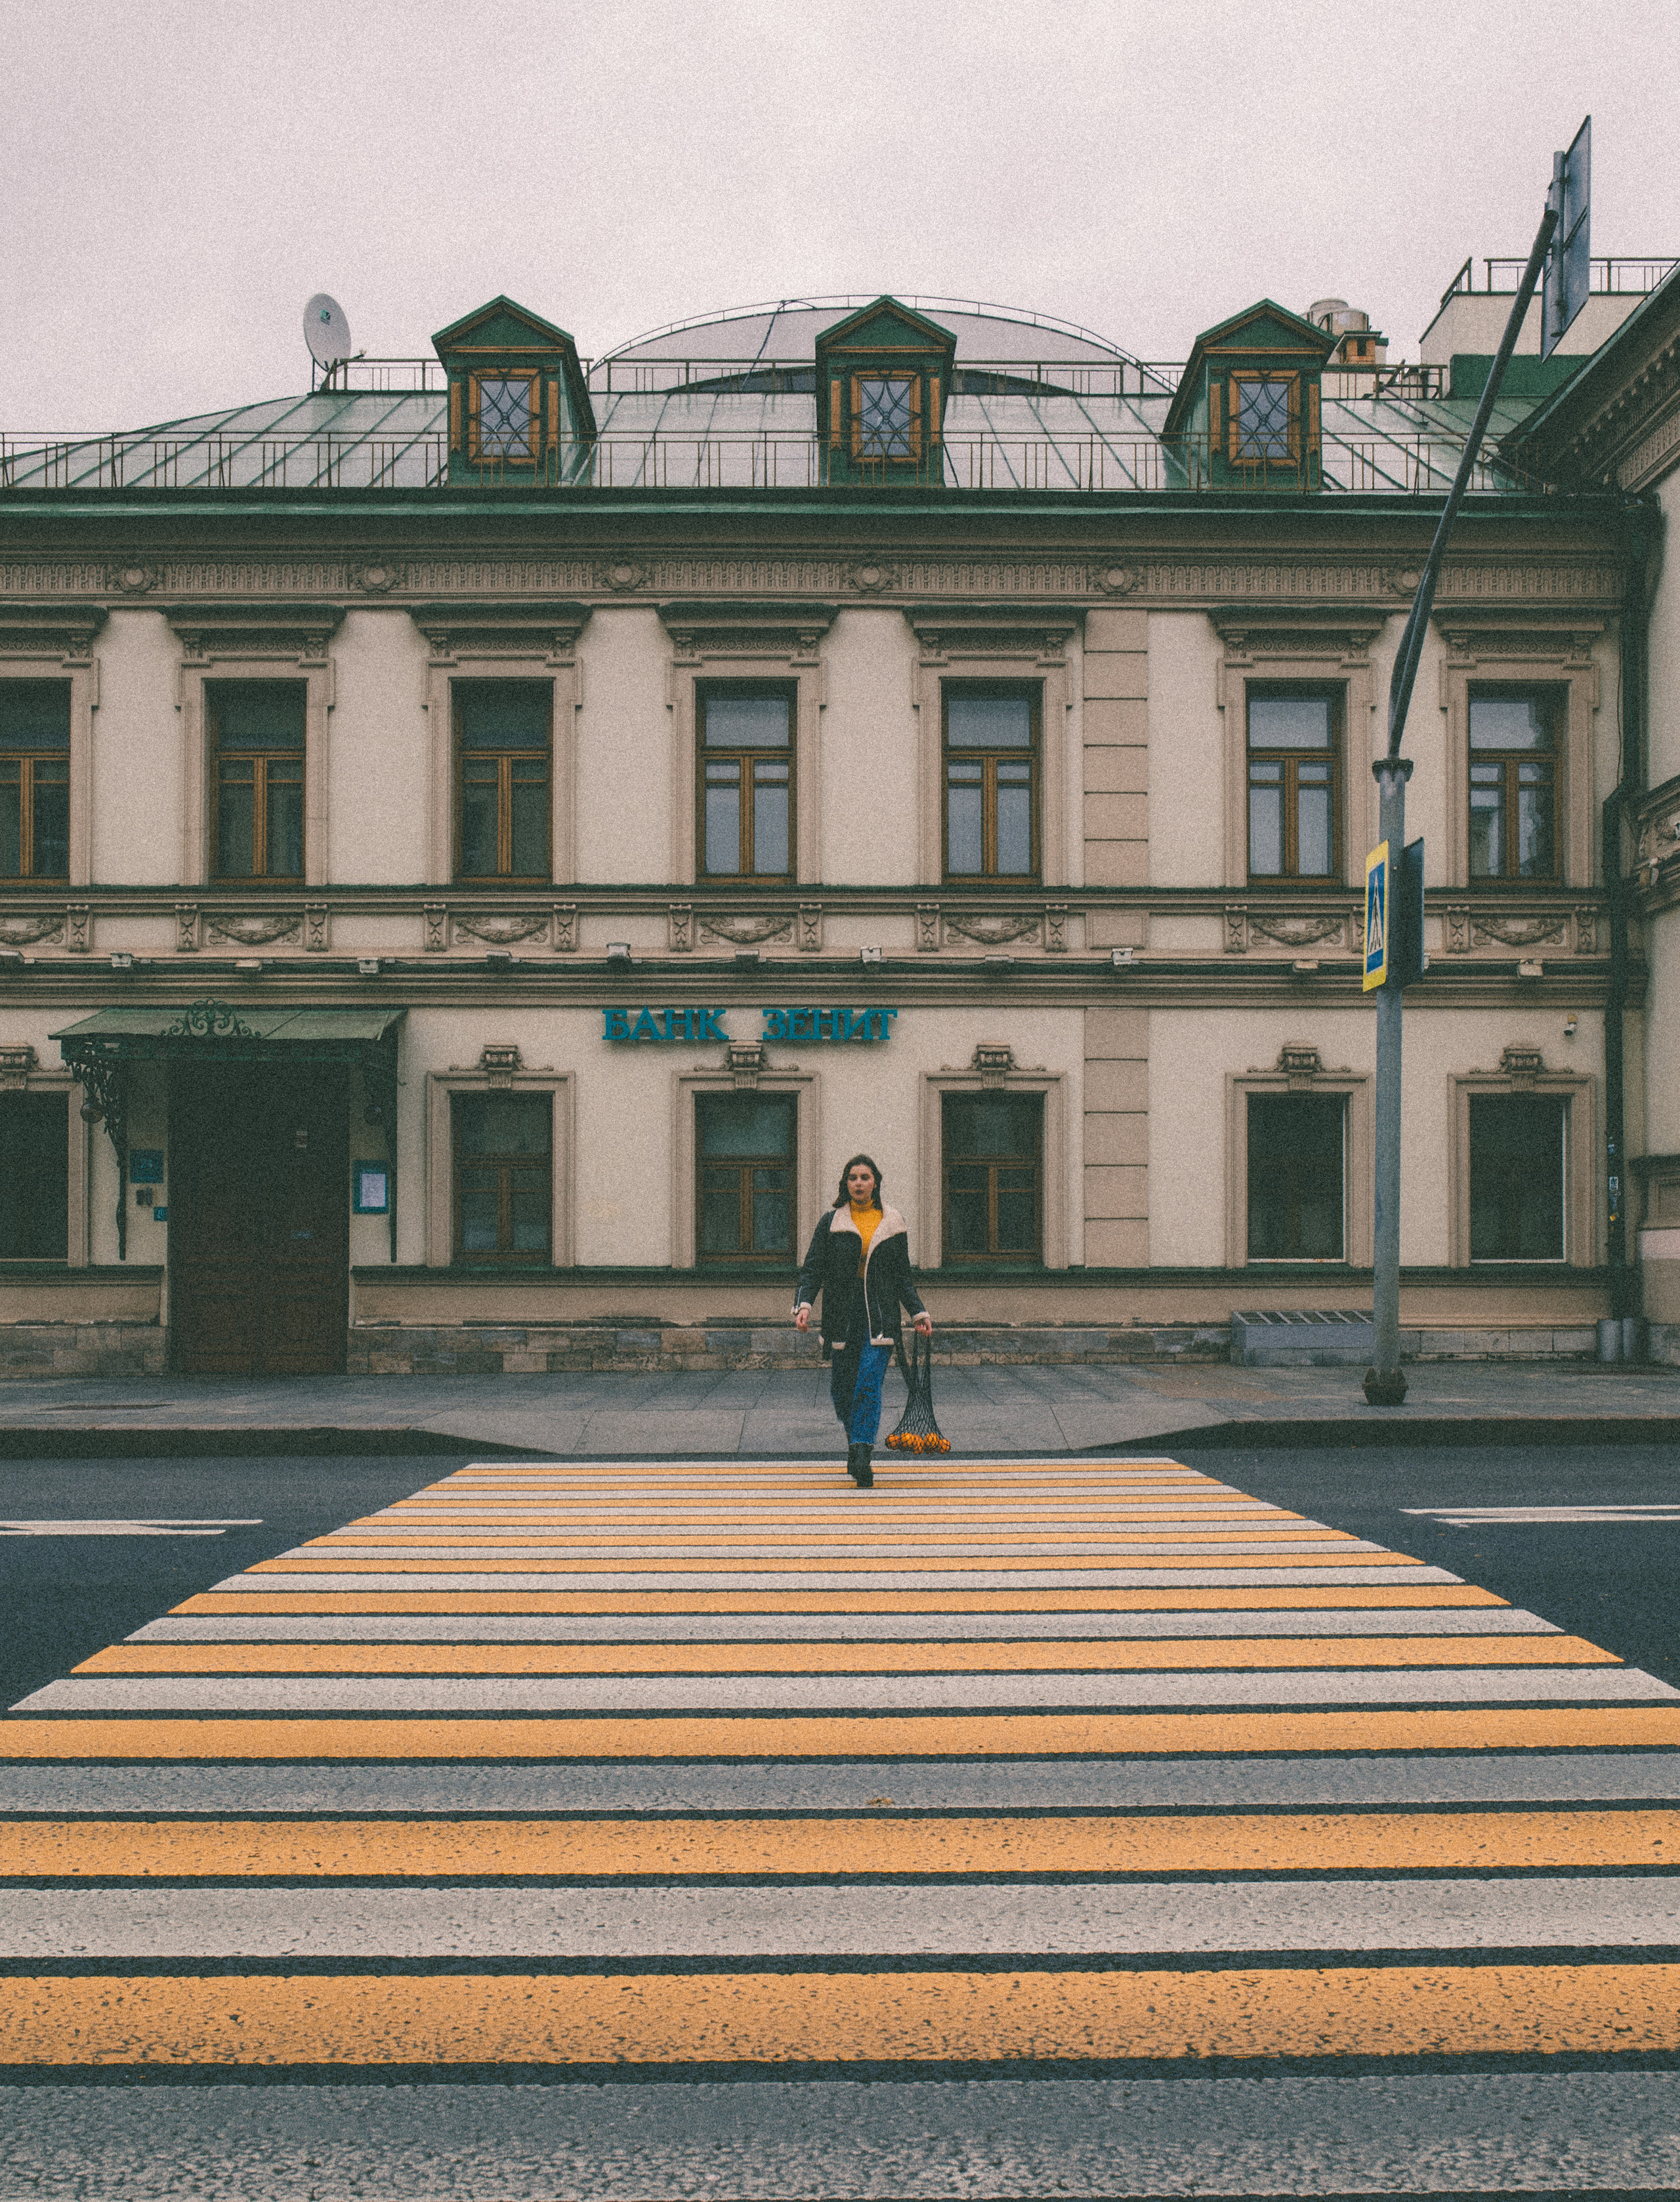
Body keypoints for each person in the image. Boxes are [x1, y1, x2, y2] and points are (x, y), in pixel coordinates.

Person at [793, 1153, 933, 1489]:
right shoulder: (831, 1223)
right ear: (846, 1184)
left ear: (876, 1183)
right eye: (853, 1178)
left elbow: (902, 1276)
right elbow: (813, 1268)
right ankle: (855, 1439)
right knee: (843, 1390)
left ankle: (861, 1453)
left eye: (865, 1177)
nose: (859, 1183)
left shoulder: (893, 1222)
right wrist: (804, 1305)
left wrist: (918, 1312)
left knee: (869, 1384)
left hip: (880, 1317)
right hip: (842, 1317)